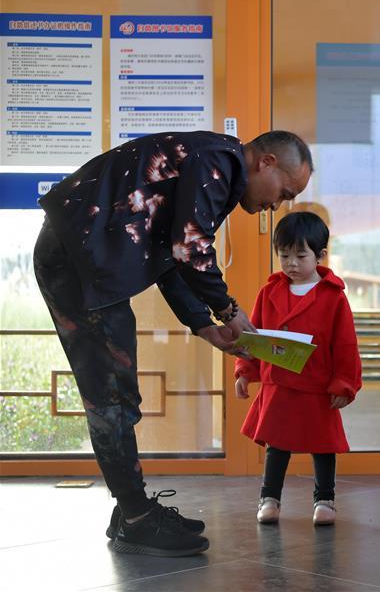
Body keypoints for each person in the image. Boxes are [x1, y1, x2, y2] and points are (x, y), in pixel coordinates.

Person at [33, 130, 313, 557]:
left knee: (118, 390)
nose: (279, 205)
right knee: (111, 392)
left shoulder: (211, 164)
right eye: (285, 192)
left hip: (80, 257)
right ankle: (137, 518)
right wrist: (231, 312)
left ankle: (130, 511)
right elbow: (190, 250)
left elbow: (169, 257)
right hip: (74, 259)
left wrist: (205, 326)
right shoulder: (218, 162)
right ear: (267, 162)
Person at [235, 211, 362, 526]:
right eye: (284, 255)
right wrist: (245, 371)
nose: (291, 263)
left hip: (318, 386)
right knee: (277, 445)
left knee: (323, 446)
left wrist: (344, 383)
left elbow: (345, 344)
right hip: (277, 384)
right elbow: (254, 335)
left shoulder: (334, 297)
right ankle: (269, 498)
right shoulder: (270, 291)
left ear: (320, 255)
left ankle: (325, 500)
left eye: (300, 255)